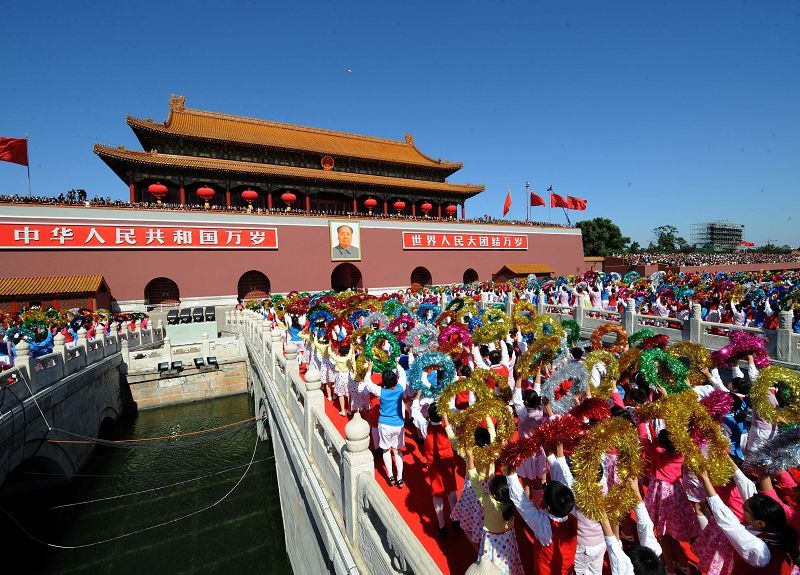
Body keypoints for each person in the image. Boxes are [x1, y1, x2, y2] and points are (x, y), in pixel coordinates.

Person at [466, 447, 524, 575]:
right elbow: (508, 478)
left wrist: (470, 458)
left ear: (494, 494)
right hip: (508, 538)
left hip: (492, 541)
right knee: (509, 562)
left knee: (491, 567)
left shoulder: (488, 503)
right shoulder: (511, 500)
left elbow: (475, 482)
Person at [359, 360, 407, 488]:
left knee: (386, 450)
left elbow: (368, 383)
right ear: (395, 380)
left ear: (383, 382)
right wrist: (397, 364)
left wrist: (369, 368)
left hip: (385, 425)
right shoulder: (400, 388)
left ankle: (390, 475)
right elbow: (403, 375)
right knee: (397, 451)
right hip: (398, 425)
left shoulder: (381, 392)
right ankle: (400, 478)